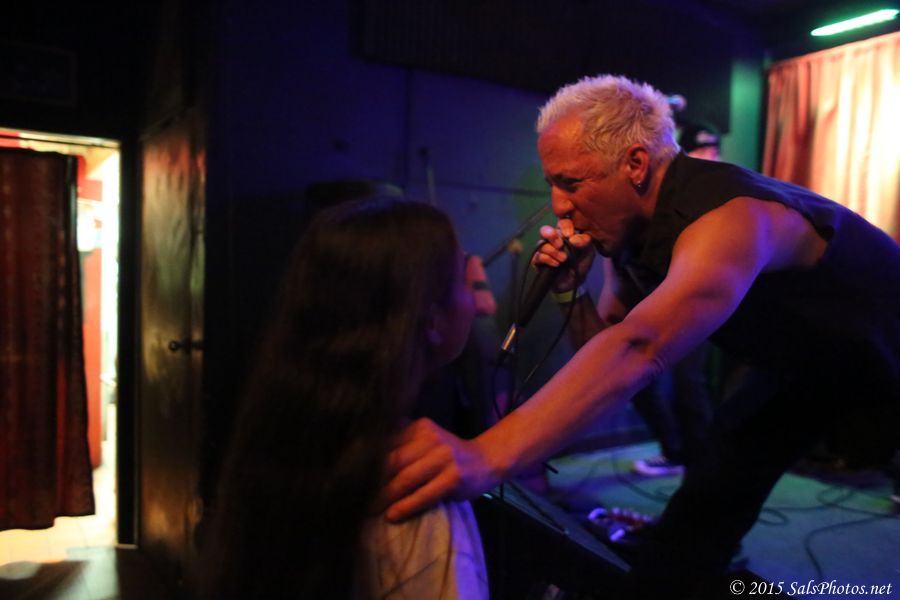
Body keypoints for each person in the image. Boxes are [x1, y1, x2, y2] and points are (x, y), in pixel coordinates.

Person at [381, 74, 900, 598]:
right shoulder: (628, 233)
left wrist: (484, 455)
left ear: (634, 163)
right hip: (801, 369)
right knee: (704, 506)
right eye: (553, 184)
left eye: (571, 183)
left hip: (885, 349)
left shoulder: (730, 215)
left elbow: (640, 348)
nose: (558, 205)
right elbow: (608, 346)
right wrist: (569, 291)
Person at [196, 198, 488, 599]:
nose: (479, 300)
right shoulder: (417, 493)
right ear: (432, 320)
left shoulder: (276, 449)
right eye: (464, 278)